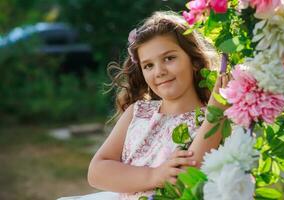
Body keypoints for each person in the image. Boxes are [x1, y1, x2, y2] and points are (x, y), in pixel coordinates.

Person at [57, 10, 229, 200]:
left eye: (169, 58)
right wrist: (155, 175)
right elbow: (96, 172)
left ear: (194, 60)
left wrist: (216, 111)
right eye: (148, 65)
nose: (159, 71)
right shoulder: (138, 113)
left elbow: (189, 178)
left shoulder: (210, 118)